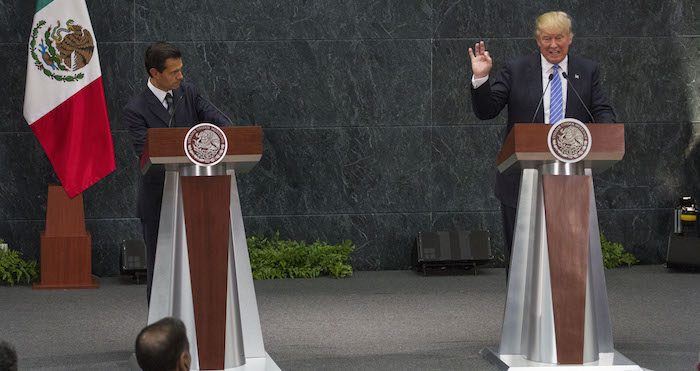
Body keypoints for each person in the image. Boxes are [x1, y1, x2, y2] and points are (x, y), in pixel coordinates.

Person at [468, 11, 616, 273]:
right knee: (522, 260)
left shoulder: (587, 70)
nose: (553, 45)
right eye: (546, 38)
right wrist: (481, 79)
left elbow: (601, 109)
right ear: (537, 40)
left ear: (570, 38)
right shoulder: (515, 69)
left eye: (559, 37)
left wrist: (607, 132)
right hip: (521, 179)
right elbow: (486, 110)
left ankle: (566, 313)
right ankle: (523, 314)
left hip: (571, 179)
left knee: (568, 259)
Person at [125, 41, 230, 303]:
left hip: (197, 195)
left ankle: (197, 326)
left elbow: (220, 122)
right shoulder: (135, 109)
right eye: (174, 72)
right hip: (158, 198)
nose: (180, 76)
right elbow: (146, 152)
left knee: (199, 263)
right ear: (155, 73)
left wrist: (229, 135)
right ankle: (158, 329)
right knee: (160, 265)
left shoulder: (188, 93)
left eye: (181, 70)